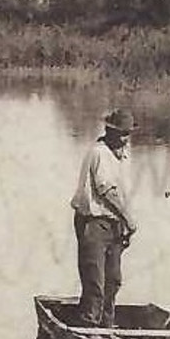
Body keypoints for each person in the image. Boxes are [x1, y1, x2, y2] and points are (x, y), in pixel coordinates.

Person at [70, 108, 137, 327]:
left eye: (128, 134)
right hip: (94, 223)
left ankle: (107, 326)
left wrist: (124, 224)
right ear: (109, 131)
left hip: (114, 223)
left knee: (114, 280)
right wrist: (127, 217)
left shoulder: (124, 155)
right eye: (122, 134)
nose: (126, 139)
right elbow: (106, 190)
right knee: (94, 281)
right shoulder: (99, 152)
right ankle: (89, 326)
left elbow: (122, 192)